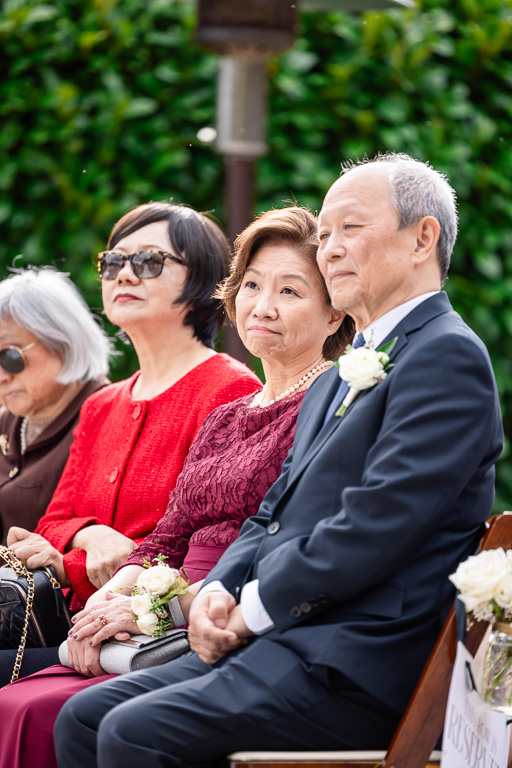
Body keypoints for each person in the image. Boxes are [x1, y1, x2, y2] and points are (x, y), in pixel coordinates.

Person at [52, 153, 502, 768]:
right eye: (326, 234)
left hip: (355, 662)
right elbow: (270, 514)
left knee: (133, 733)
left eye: (351, 228)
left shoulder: (446, 356)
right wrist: (219, 590)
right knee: (82, 717)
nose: (331, 249)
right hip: (282, 642)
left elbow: (379, 521)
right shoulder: (333, 380)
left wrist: (251, 607)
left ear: (422, 238)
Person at [0, 206, 353, 768]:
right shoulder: (229, 414)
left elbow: (274, 542)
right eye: (253, 286)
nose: (263, 305)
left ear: (336, 315)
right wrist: (116, 591)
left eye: (289, 291)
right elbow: (164, 534)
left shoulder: (324, 405)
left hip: (212, 618)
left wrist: (151, 607)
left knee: (52, 708)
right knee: (22, 700)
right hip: (141, 610)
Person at [0, 201, 260, 686]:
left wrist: (71, 560)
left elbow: (200, 541)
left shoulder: (229, 391)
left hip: (145, 639)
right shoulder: (104, 404)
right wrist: (90, 536)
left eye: (148, 261)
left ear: (201, 280)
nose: (124, 274)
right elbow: (52, 521)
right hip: (72, 621)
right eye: (113, 262)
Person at [0, 267, 110, 543]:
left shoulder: (108, 415)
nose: (2, 376)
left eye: (9, 356)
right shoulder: (8, 421)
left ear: (61, 341)